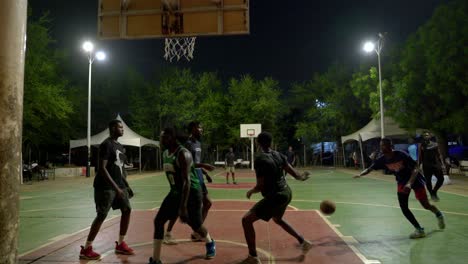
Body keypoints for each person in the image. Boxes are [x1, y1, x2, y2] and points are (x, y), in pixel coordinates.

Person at [241, 132, 312, 264]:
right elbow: (296, 175)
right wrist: (303, 176)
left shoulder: (260, 159)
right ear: (271, 142)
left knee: (246, 220)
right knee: (278, 219)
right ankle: (303, 241)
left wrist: (252, 191)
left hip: (276, 196)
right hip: (287, 192)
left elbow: (260, 186)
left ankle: (253, 257)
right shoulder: (279, 155)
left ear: (258, 143)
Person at [354, 138, 445, 239]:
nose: (381, 147)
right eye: (381, 146)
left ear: (390, 146)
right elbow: (370, 168)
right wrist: (361, 174)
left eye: (383, 145)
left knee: (425, 205)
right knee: (404, 207)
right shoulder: (382, 159)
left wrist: (409, 184)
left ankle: (439, 215)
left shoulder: (401, 155)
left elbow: (416, 168)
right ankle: (419, 230)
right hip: (402, 182)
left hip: (415, 180)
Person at [149, 127, 216, 264]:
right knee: (158, 221)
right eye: (161, 137)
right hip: (175, 192)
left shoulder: (183, 153)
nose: (161, 140)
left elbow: (187, 181)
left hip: (191, 193)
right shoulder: (166, 153)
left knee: (195, 224)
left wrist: (183, 207)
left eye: (164, 137)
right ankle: (155, 259)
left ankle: (210, 243)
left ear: (172, 138)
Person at [79, 119, 134, 260]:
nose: (122, 129)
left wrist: (126, 186)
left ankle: (121, 244)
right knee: (102, 215)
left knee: (127, 210)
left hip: (119, 186)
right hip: (105, 187)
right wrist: (116, 188)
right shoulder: (106, 145)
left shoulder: (120, 147)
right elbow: (102, 168)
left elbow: (120, 169)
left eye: (122, 127)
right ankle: (86, 248)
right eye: (119, 127)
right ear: (112, 128)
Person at [163, 121, 214, 244]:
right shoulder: (187, 144)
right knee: (179, 205)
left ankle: (197, 232)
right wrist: (203, 165)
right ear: (192, 129)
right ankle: (168, 233)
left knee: (207, 203)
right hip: (189, 179)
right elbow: (187, 163)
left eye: (202, 127)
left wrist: (205, 174)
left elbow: (195, 163)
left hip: (199, 177)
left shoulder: (198, 143)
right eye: (199, 127)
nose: (201, 130)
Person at [420, 131, 446, 201]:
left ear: (430, 136)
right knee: (428, 181)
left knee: (441, 179)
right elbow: (420, 156)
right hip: (426, 166)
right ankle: (432, 194)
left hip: (435, 165)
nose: (426, 136)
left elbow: (439, 155)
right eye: (425, 135)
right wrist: (419, 165)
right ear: (423, 137)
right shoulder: (421, 145)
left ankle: (434, 191)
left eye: (427, 135)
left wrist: (442, 164)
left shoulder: (435, 144)